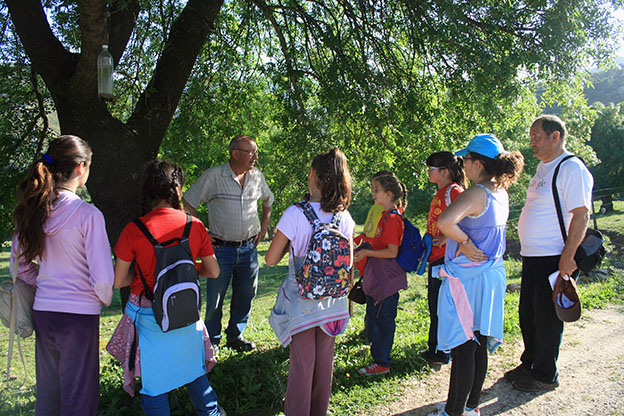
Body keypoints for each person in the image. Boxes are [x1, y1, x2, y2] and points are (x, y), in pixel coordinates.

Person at [108, 159, 224, 416]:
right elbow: (213, 271)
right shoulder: (195, 225)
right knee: (194, 371)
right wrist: (191, 270)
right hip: (185, 311)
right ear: (179, 189)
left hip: (148, 316)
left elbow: (118, 280)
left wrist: (141, 276)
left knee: (155, 384)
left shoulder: (133, 229)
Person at [11, 135, 114, 416]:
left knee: (49, 393)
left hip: (44, 310)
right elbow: (104, 280)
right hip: (78, 316)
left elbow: (19, 266)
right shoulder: (88, 215)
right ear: (80, 168)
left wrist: (45, 282)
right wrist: (101, 298)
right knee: (79, 395)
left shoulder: (33, 210)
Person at [434, 134, 523, 416]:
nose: (463, 164)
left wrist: (464, 242)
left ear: (478, 163)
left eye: (466, 159)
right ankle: (470, 406)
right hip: (492, 272)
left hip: (469, 277)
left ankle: (453, 412)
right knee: (478, 341)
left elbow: (444, 222)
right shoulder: (501, 192)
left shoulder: (477, 193)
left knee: (463, 346)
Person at [505, 115, 594, 392]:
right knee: (529, 314)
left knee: (547, 319)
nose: (532, 142)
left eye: (537, 137)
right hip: (533, 256)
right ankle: (530, 363)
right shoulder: (543, 168)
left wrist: (568, 258)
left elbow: (580, 215)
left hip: (554, 256)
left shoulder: (571, 168)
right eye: (531, 137)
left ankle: (545, 375)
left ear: (555, 137)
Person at [266, 147, 355, 416]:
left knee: (302, 365)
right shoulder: (345, 217)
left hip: (303, 301)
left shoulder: (295, 213)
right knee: (324, 363)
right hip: (333, 301)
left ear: (313, 174)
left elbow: (270, 259)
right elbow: (349, 264)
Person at [182, 135, 274, 352]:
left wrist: (264, 225)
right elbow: (187, 203)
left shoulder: (257, 176)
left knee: (246, 295)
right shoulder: (214, 176)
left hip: (248, 249)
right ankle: (212, 341)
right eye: (251, 152)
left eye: (255, 152)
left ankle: (236, 336)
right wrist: (202, 233)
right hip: (220, 251)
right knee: (215, 299)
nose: (256, 157)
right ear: (235, 153)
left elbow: (268, 200)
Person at [353, 171, 408, 376]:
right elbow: (370, 236)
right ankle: (377, 357)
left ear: (389, 194)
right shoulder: (380, 213)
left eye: (376, 190)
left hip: (387, 280)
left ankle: (382, 362)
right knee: (374, 317)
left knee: (384, 320)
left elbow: (392, 251)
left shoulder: (393, 219)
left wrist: (366, 251)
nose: (373, 194)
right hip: (375, 277)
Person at [420, 152, 466, 366]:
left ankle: (441, 352)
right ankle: (436, 349)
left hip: (447, 260)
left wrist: (447, 237)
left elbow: (467, 219)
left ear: (445, 172)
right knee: (435, 305)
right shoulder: (441, 192)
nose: (428, 171)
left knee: (441, 306)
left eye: (431, 168)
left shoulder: (454, 191)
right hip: (435, 258)